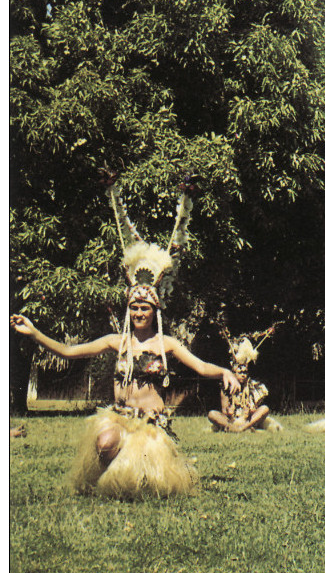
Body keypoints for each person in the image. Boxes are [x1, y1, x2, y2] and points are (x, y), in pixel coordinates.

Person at [9, 181, 240, 498]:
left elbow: (201, 367)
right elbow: (68, 351)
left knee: (150, 487)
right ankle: (110, 472)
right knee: (104, 443)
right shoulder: (115, 341)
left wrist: (225, 371)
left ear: (154, 311)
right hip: (119, 418)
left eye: (144, 307)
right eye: (134, 307)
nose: (138, 312)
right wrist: (35, 333)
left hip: (151, 426)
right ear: (127, 310)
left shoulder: (166, 345)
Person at [208, 333, 282, 433]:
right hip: (231, 420)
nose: (243, 375)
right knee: (212, 414)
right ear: (234, 373)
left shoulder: (254, 386)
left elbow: (257, 411)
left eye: (245, 372)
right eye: (240, 372)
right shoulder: (226, 387)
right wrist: (229, 413)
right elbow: (224, 411)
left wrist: (250, 412)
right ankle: (233, 428)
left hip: (248, 420)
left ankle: (242, 428)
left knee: (264, 409)